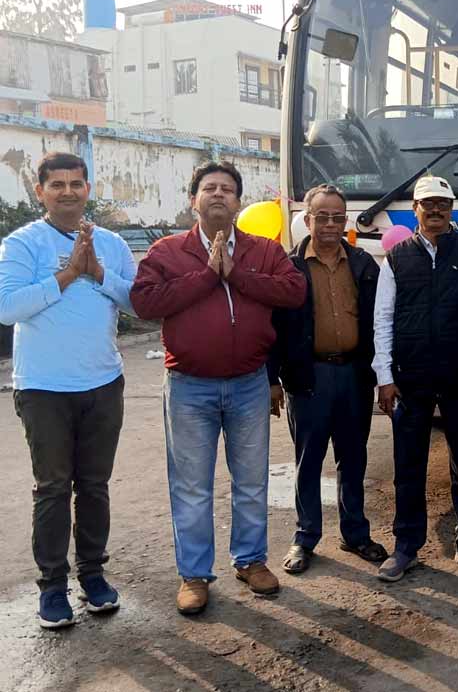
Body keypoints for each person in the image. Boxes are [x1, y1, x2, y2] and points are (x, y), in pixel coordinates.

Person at [131, 162, 306, 616]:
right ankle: (194, 575)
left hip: (248, 384)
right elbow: (145, 302)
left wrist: (235, 275)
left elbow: (293, 292)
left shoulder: (264, 250)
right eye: (209, 188)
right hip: (190, 387)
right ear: (194, 199)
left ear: (238, 202)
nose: (218, 195)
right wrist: (208, 275)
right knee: (191, 486)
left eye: (228, 189)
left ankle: (250, 561)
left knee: (251, 480)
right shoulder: (168, 251)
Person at [0, 152, 135, 628]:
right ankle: (53, 587)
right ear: (39, 192)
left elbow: (137, 302)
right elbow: (6, 307)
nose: (67, 192)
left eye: (76, 184)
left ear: (88, 188)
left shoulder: (113, 244)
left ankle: (93, 576)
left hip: (102, 383)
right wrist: (68, 274)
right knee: (53, 489)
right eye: (56, 185)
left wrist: (97, 272)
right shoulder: (21, 243)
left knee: (94, 487)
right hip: (43, 389)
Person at [373, 175, 458, 582]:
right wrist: (385, 375)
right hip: (410, 377)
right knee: (409, 464)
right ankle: (406, 547)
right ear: (415, 210)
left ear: (452, 210)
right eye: (427, 204)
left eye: (443, 205)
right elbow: (383, 319)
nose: (435, 211)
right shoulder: (396, 258)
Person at [268, 183, 387, 575]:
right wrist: (272, 378)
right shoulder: (289, 267)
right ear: (307, 219)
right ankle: (305, 537)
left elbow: (381, 321)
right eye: (323, 216)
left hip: (354, 374)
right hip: (308, 376)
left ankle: (355, 534)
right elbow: (273, 327)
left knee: (353, 457)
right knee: (309, 460)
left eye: (339, 216)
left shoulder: (364, 264)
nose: (332, 224)